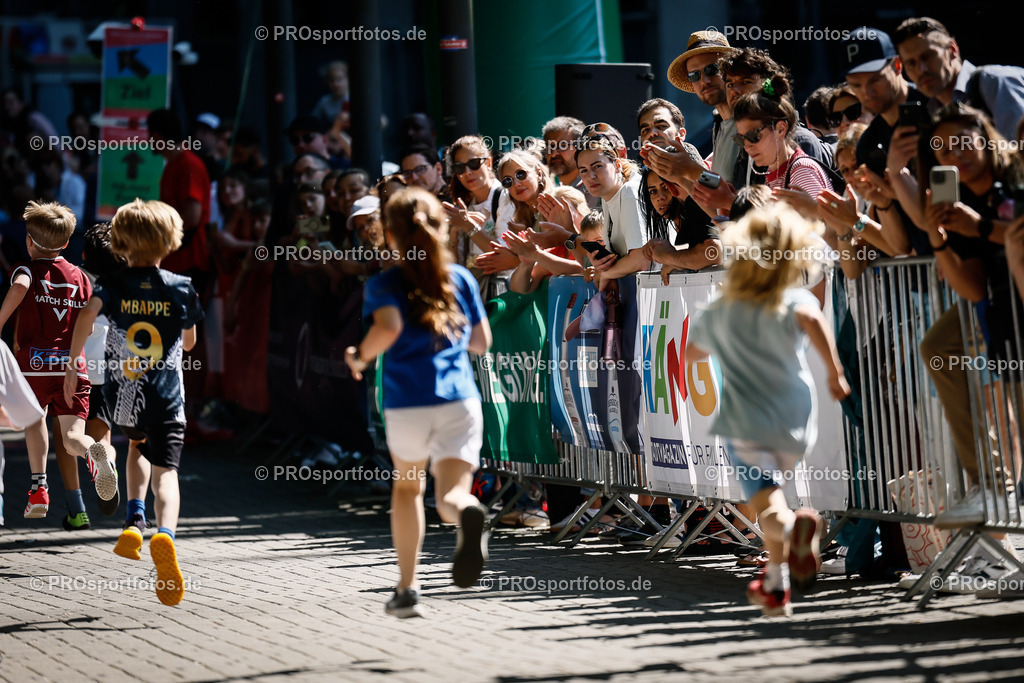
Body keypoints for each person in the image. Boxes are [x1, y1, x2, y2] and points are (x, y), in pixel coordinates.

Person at [686, 203, 851, 616]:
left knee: (772, 508)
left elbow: (692, 353)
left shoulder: (726, 305)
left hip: (746, 423)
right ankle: (776, 585)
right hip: (796, 419)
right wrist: (834, 373)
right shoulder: (793, 295)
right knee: (776, 493)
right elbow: (814, 320)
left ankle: (797, 529)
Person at [344, 188, 492, 617]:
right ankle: (468, 513)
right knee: (451, 497)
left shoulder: (384, 282)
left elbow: (387, 329)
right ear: (441, 226)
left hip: (407, 403)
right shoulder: (460, 278)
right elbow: (482, 342)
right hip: (459, 400)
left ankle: (407, 588)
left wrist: (360, 356)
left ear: (389, 234)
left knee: (408, 488)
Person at [64, 199, 204, 607]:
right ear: (170, 240)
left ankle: (132, 520)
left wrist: (75, 363)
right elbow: (191, 341)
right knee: (168, 473)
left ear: (122, 241)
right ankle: (165, 534)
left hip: (124, 397)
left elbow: (87, 317)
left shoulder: (112, 286)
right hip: (166, 398)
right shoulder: (182, 286)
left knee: (135, 447)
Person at [0, 201, 118, 519]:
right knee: (71, 438)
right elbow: (88, 325)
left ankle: (39, 488)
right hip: (73, 367)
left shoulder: (25, 270)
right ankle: (93, 455)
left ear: (28, 241)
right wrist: (71, 362)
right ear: (66, 243)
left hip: (32, 365)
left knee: (33, 418)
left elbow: (21, 286)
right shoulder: (80, 277)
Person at [893, 17, 1024, 141]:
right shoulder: (930, 111)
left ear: (952, 50)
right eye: (911, 63)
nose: (921, 69)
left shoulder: (997, 82)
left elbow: (1019, 154)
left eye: (928, 56)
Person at [146, 109, 212, 277]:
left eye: (150, 134)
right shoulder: (173, 164)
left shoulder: (189, 164)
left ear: (157, 136)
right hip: (175, 262)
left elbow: (191, 217)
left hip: (189, 263)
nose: (148, 140)